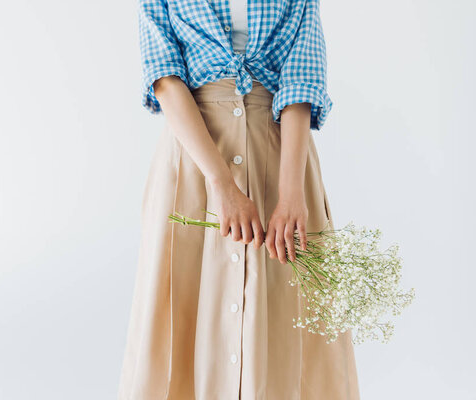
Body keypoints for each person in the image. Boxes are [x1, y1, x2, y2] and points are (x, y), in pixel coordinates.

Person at [118, 0, 360, 398]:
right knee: (185, 298)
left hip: (281, 153)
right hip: (194, 157)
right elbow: (164, 79)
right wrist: (221, 183)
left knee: (285, 299)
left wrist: (292, 193)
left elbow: (300, 83)